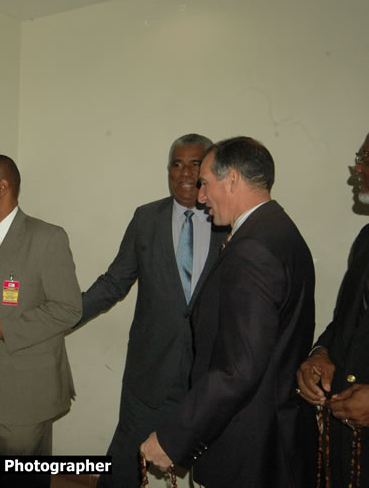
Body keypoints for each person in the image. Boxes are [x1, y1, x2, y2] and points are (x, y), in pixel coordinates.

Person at [140, 137, 315, 487]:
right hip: (271, 430)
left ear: (232, 179)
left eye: (205, 183)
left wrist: (173, 437)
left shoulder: (253, 249)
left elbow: (238, 369)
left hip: (248, 444)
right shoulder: (278, 230)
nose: (200, 196)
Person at [77, 134, 226, 487]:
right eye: (176, 164)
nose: (185, 172)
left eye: (195, 164)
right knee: (122, 468)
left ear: (210, 171)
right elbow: (114, 282)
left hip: (211, 377)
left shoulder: (228, 222)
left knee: (215, 471)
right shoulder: (146, 218)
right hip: (150, 374)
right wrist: (63, 316)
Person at [0, 154, 82, 488]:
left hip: (25, 393)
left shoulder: (47, 238)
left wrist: (4, 329)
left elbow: (68, 309)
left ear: (2, 187)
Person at [296, 131, 369, 486]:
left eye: (366, 159)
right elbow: (346, 323)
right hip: (348, 448)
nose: (357, 168)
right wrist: (320, 353)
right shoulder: (367, 239)